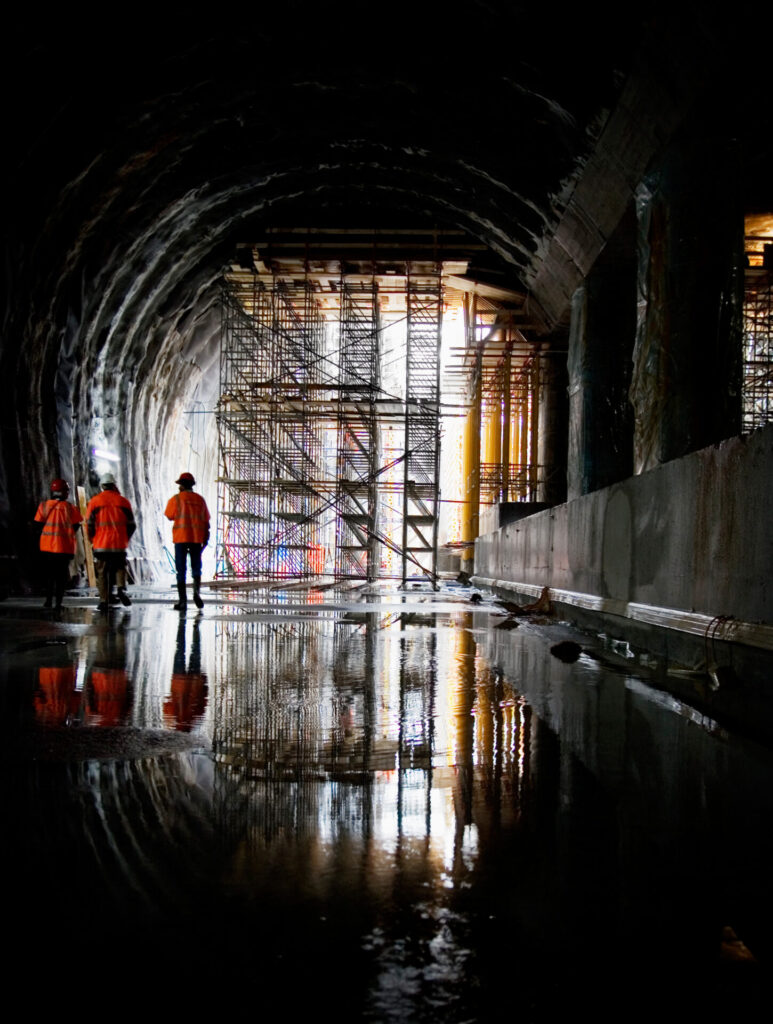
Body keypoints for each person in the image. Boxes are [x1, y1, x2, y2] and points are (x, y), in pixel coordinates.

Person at [85, 473, 136, 612]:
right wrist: (125, 538)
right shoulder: (123, 502)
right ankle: (120, 588)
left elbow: (89, 524)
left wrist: (92, 539)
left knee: (102, 572)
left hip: (101, 544)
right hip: (119, 544)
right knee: (120, 567)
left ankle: (103, 601)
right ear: (114, 485)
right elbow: (132, 525)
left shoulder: (94, 501)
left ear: (102, 486)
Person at [33, 478, 83, 611]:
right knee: (61, 577)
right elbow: (76, 526)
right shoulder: (71, 508)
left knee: (49, 575)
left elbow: (37, 525)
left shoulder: (44, 506)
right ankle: (58, 603)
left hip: (47, 547)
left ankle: (48, 600)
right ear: (65, 492)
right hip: (64, 548)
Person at [164, 472, 209, 611]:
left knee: (181, 570)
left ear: (182, 485)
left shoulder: (176, 499)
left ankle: (182, 601)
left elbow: (169, 515)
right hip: (196, 539)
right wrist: (206, 538)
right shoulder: (200, 500)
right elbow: (206, 520)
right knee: (196, 568)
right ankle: (196, 593)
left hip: (181, 538)